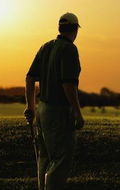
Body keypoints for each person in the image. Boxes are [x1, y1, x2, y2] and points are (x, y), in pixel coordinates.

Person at [24, 12, 84, 190]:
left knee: (44, 157)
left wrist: (31, 107)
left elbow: (29, 78)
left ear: (60, 28)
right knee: (60, 160)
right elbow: (68, 85)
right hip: (58, 112)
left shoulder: (46, 47)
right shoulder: (70, 49)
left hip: (42, 109)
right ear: (75, 29)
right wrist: (77, 112)